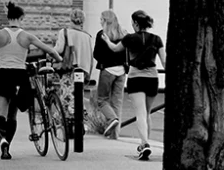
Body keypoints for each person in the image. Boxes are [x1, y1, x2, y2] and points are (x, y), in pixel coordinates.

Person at [0, 2, 61, 160]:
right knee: (12, 115)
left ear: (8, 17)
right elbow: (50, 50)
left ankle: (3, 141)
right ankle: (7, 148)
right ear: (21, 18)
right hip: (19, 77)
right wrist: (59, 59)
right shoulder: (27, 36)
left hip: (2, 75)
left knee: (0, 112)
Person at [102, 10, 165, 160]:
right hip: (152, 78)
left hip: (136, 77)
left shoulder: (129, 38)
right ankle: (144, 145)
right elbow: (165, 61)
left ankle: (145, 143)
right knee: (147, 113)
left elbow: (115, 49)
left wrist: (106, 40)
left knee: (140, 113)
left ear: (136, 24)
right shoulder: (157, 39)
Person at [53, 9, 95, 128]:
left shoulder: (65, 32)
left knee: (66, 96)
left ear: (70, 19)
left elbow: (59, 49)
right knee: (77, 96)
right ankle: (79, 122)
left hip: (69, 69)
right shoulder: (87, 36)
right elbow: (90, 57)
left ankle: (64, 122)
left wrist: (50, 53)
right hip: (82, 71)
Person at [93, 10, 129, 139]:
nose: (100, 21)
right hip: (122, 71)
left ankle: (112, 118)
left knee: (102, 100)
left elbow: (96, 54)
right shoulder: (124, 34)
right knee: (117, 103)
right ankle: (115, 135)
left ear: (105, 21)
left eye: (101, 19)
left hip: (108, 71)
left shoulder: (102, 35)